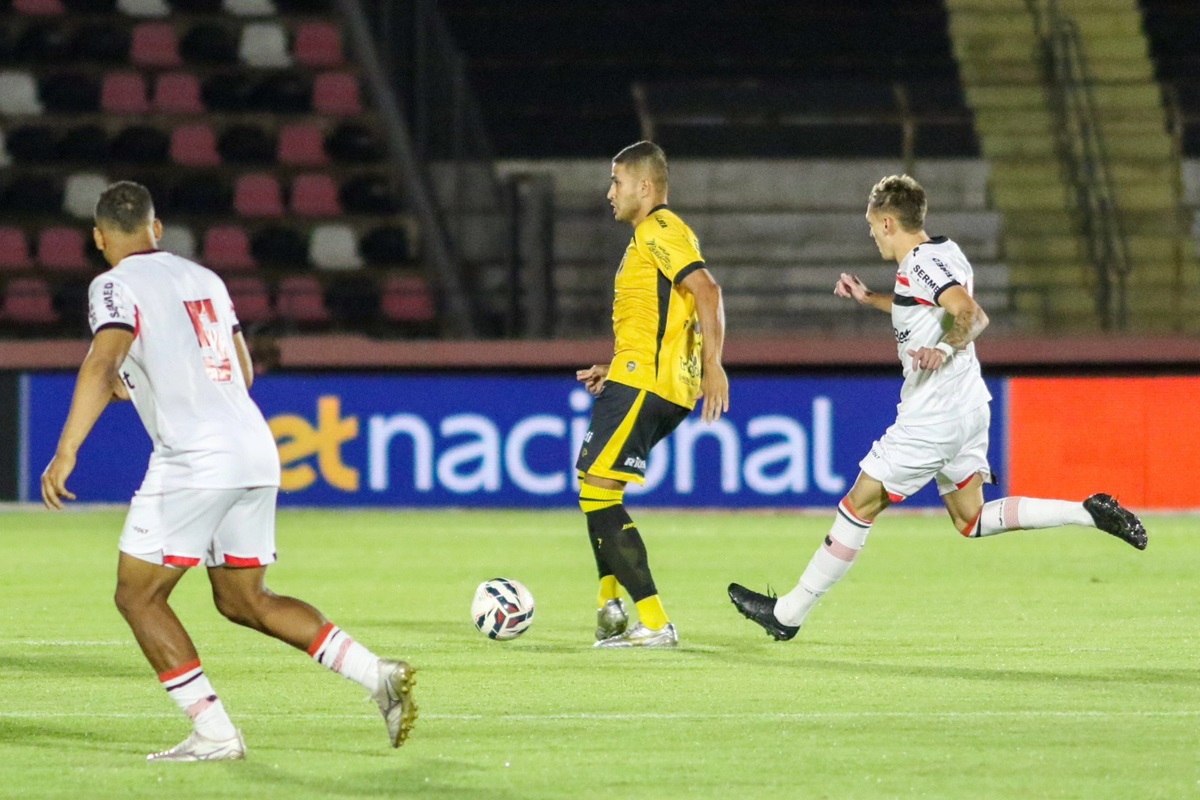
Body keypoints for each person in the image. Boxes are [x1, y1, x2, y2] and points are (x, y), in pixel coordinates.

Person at [40, 181, 417, 761]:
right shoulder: (204, 279)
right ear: (156, 228)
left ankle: (214, 733)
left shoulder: (111, 285)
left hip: (195, 458)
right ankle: (377, 676)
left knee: (138, 597)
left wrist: (68, 449)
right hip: (252, 447)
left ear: (97, 238)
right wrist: (149, 378)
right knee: (244, 599)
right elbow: (240, 370)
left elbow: (103, 359)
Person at [728, 174, 1147, 641]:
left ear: (888, 222)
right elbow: (920, 306)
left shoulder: (920, 262)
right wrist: (869, 299)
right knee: (971, 519)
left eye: (871, 226)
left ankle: (788, 614)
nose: (871, 235)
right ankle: (1088, 511)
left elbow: (971, 313)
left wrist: (944, 350)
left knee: (857, 505)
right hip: (969, 406)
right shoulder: (945, 252)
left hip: (935, 414)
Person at [577, 141, 730, 648]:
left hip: (650, 383)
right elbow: (667, 316)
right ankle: (610, 608)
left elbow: (707, 290)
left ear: (645, 187)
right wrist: (614, 366)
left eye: (616, 182)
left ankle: (654, 621)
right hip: (638, 375)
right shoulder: (655, 236)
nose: (609, 193)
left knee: (596, 490)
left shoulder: (657, 228)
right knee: (596, 487)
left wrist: (714, 366)